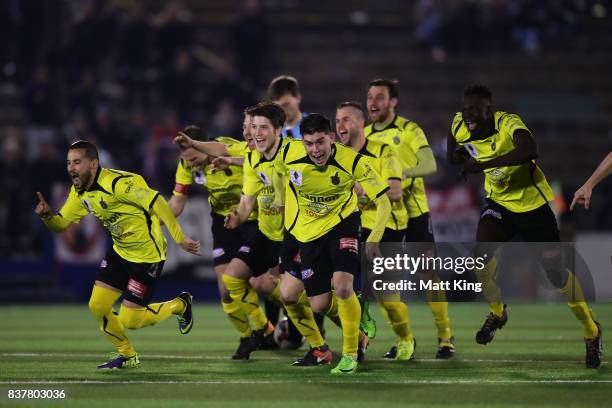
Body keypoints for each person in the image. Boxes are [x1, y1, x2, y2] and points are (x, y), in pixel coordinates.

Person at [447, 84, 603, 369]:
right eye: (465, 108)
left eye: (474, 109)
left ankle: (591, 330)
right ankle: (498, 313)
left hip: (534, 207)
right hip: (499, 205)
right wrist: (459, 157)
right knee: (480, 257)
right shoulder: (460, 124)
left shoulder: (508, 123)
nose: (468, 114)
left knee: (556, 276)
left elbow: (531, 149)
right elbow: (452, 151)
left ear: (489, 110)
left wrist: (482, 164)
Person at [35, 140, 200, 369]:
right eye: (68, 163)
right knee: (97, 306)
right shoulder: (80, 192)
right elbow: (62, 225)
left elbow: (158, 202)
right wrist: (47, 217)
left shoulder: (118, 184)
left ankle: (180, 305)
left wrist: (179, 238)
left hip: (147, 256)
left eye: (77, 162)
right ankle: (127, 355)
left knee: (130, 320)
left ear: (93, 164)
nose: (71, 168)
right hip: (120, 253)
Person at [273, 113, 392, 374]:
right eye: (309, 143)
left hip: (343, 225)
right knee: (319, 305)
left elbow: (384, 201)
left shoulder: (354, 161)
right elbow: (269, 167)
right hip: (308, 234)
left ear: (332, 138)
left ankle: (350, 355)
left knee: (342, 286)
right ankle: (357, 312)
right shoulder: (288, 153)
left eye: (320, 142)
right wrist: (281, 201)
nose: (315, 150)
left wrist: (374, 240)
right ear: (301, 142)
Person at [365, 78, 455, 358]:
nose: (373, 102)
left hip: (414, 212)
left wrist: (403, 173)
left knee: (427, 273)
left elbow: (429, 163)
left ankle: (445, 337)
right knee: (383, 281)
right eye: (370, 97)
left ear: (393, 102)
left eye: (380, 97)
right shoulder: (364, 135)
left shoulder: (408, 130)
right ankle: (403, 339)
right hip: (382, 217)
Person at [169, 122, 260, 359]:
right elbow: (177, 202)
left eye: (193, 156)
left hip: (254, 219)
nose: (190, 163)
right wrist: (153, 218)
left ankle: (272, 328)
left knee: (266, 286)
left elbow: (251, 156)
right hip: (222, 223)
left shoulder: (229, 148)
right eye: (185, 158)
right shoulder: (185, 166)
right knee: (225, 290)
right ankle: (248, 336)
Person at [336, 101, 418, 361]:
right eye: (337, 120)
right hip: (353, 226)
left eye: (346, 119)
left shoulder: (385, 152)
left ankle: (405, 338)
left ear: (361, 123)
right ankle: (356, 343)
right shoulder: (337, 155)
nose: (340, 126)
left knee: (387, 296)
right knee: (340, 287)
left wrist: (365, 189)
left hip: (388, 227)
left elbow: (394, 192)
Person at [267, 75, 308, 139]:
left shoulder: (316, 126)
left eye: (286, 105)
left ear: (298, 97)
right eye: (278, 107)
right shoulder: (270, 134)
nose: (283, 110)